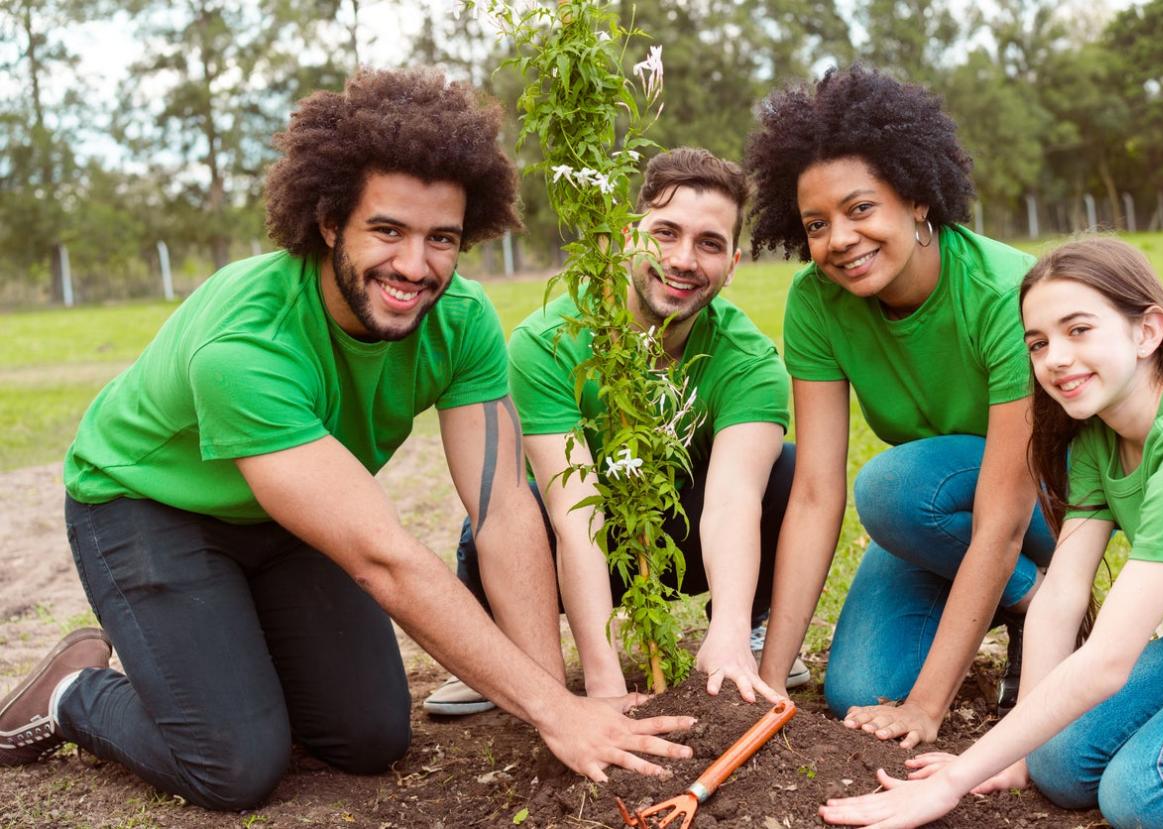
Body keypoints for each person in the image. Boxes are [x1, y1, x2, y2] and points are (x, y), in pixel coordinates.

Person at [0, 68, 695, 809]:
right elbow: (381, 557)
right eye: (387, 230)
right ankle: (72, 692)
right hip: (147, 506)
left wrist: (552, 698)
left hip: (284, 519)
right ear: (331, 222)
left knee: (369, 736)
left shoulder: (461, 321)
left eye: (442, 239)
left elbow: (501, 509)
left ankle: (222, 660)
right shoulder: (248, 341)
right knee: (233, 765)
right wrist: (557, 713)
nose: (414, 266)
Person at [818, 237, 1163, 829]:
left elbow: (1108, 661)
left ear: (1147, 331)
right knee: (1057, 765)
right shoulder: (1098, 437)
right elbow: (1060, 596)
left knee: (1145, 798)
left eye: (1079, 330)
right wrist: (1017, 753)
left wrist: (953, 783)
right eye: (1038, 344)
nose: (1056, 359)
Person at [425, 147, 807, 716]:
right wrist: (601, 684)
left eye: (709, 244)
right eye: (666, 232)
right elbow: (575, 517)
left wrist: (725, 628)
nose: (682, 259)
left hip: (680, 536)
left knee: (785, 472)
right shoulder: (546, 342)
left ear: (734, 264)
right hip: (568, 541)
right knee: (514, 510)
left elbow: (731, 503)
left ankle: (740, 636)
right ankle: (500, 657)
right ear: (630, 236)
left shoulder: (749, 360)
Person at [745, 64, 1055, 746]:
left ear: (916, 199)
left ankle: (1051, 597)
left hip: (1044, 505)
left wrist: (927, 706)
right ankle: (1032, 601)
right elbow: (814, 494)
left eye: (861, 209)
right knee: (858, 688)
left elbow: (1002, 519)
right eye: (817, 224)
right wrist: (767, 683)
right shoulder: (815, 302)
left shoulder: (1006, 291)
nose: (840, 240)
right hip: (941, 514)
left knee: (890, 486)